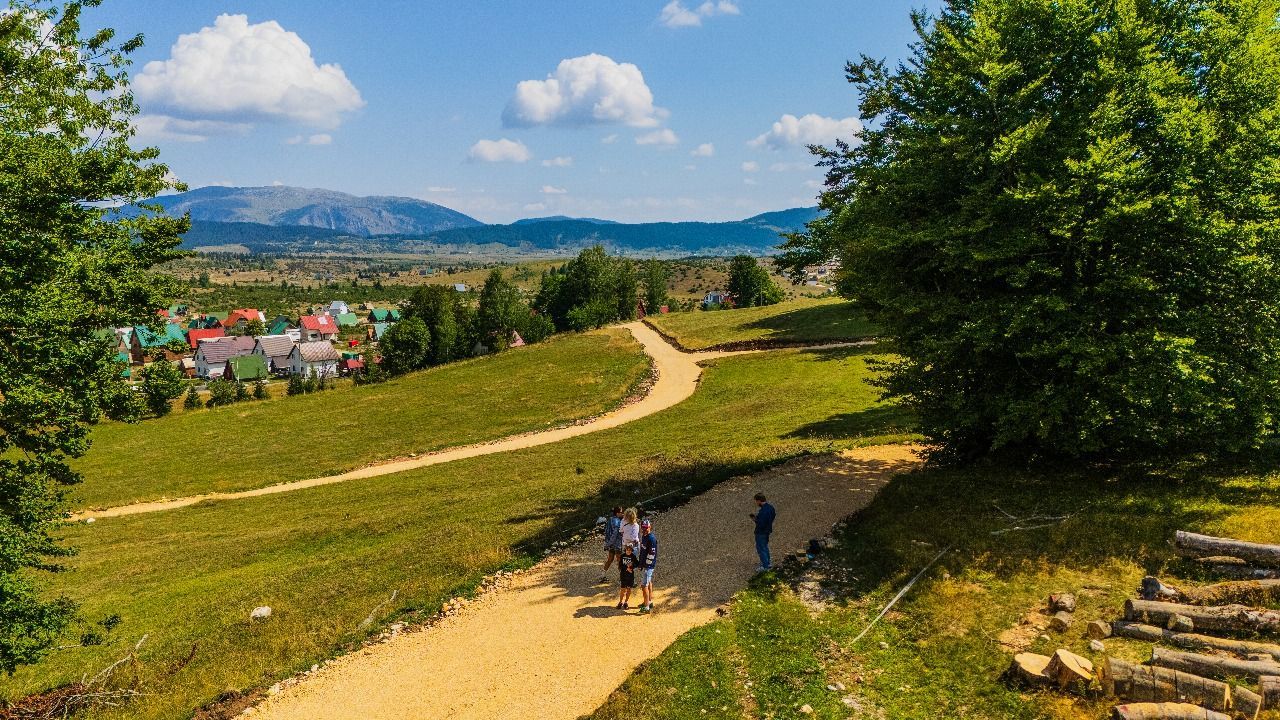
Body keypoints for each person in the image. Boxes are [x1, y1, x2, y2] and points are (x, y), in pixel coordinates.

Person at [749, 493, 775, 572]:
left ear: (759, 501)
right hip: (767, 530)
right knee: (765, 547)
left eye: (756, 502)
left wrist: (755, 519)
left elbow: (761, 523)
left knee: (761, 548)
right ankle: (768, 562)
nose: (756, 503)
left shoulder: (763, 511)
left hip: (761, 532)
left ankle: (765, 566)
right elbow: (773, 516)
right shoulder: (771, 508)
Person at [599, 506, 624, 584]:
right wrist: (610, 543)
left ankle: (602, 576)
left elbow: (607, 532)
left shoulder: (610, 519)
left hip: (611, 544)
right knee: (619, 561)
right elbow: (615, 534)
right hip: (616, 544)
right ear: (617, 513)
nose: (622, 514)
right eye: (621, 512)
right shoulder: (617, 522)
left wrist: (607, 543)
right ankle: (622, 579)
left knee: (610, 559)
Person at [637, 518, 658, 613]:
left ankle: (646, 607)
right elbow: (642, 552)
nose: (644, 529)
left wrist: (646, 566)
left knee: (644, 585)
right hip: (645, 564)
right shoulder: (644, 537)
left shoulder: (651, 539)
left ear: (650, 527)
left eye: (646, 528)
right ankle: (649, 601)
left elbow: (652, 554)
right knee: (648, 582)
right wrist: (640, 564)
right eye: (643, 528)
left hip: (648, 565)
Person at [617, 542, 636, 610]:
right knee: (622, 589)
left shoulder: (633, 556)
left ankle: (626, 602)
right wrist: (627, 568)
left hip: (630, 576)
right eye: (627, 549)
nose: (629, 551)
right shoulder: (622, 556)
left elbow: (636, 564)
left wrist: (631, 567)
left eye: (630, 550)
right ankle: (620, 602)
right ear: (625, 550)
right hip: (623, 575)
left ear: (632, 550)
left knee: (629, 589)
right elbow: (620, 565)